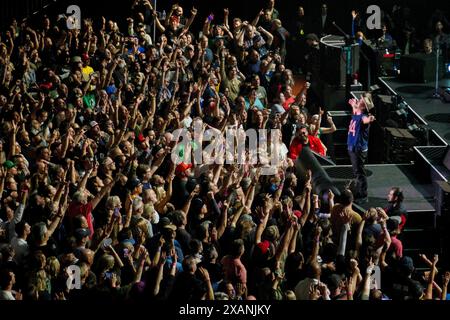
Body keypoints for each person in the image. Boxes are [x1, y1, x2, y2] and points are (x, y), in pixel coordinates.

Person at [347, 96, 376, 204]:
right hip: (352, 147)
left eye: (360, 101)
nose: (358, 100)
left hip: (358, 149)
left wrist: (370, 118)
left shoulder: (363, 117)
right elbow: (355, 113)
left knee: (360, 172)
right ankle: (359, 191)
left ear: (363, 106)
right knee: (356, 172)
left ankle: (363, 195)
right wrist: (353, 106)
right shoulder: (357, 114)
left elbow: (365, 120)